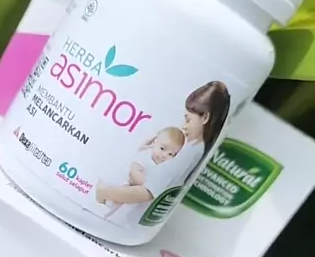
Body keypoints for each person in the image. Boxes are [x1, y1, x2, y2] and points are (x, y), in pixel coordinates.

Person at [95, 81, 231, 223]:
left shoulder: (189, 153)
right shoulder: (193, 148)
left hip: (126, 220)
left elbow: (147, 192)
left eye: (188, 120)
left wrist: (104, 192)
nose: (183, 126)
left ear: (205, 118)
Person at [102, 127, 185, 221]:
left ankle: (114, 217)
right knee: (121, 203)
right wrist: (147, 185)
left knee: (130, 208)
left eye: (171, 154)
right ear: (154, 142)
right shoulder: (146, 155)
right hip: (127, 184)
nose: (164, 155)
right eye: (162, 148)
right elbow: (134, 172)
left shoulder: (161, 166)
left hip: (137, 191)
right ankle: (109, 214)